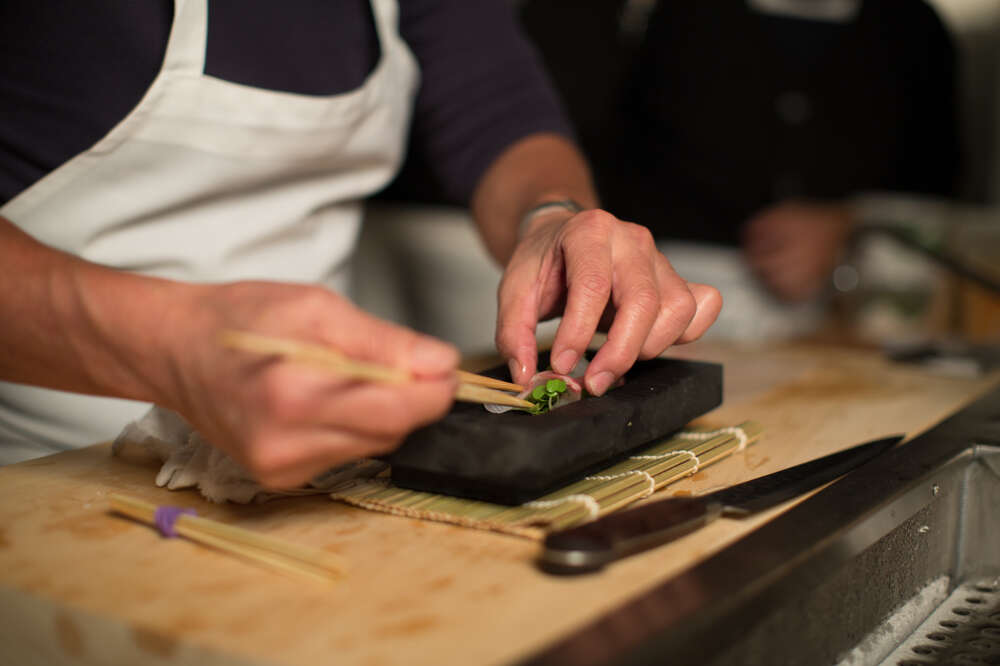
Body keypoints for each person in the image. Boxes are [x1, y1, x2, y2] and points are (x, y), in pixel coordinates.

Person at [0, 0, 721, 482]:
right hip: (45, 477)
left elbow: (498, 110)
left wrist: (553, 218)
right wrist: (168, 345)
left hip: (319, 471)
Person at [520, 0, 959, 339]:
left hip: (848, 322)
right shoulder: (647, 15)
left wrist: (849, 224)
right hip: (664, 304)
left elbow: (941, 197)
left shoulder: (914, 30)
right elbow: (575, 148)